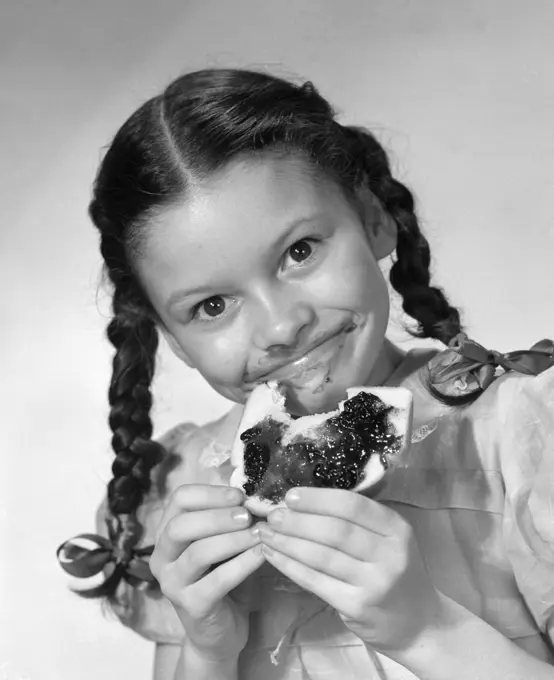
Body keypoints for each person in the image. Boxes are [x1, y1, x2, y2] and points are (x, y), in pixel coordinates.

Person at [57, 68, 554, 680]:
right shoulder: (179, 493)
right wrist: (207, 650)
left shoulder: (525, 433)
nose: (280, 327)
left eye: (300, 251)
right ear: (171, 338)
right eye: (212, 306)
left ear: (374, 219)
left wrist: (428, 629)